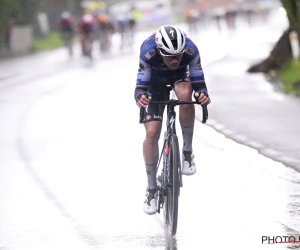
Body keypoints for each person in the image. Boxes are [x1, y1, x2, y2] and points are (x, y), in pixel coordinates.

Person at [134, 25, 211, 215]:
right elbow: (140, 86)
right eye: (170, 56)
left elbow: (199, 83)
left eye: (178, 55)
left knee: (186, 94)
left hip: (180, 78)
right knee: (152, 133)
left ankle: (186, 152)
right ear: (160, 50)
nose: (175, 60)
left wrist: (202, 94)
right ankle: (151, 189)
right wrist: (141, 97)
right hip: (154, 82)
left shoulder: (191, 50)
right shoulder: (148, 51)